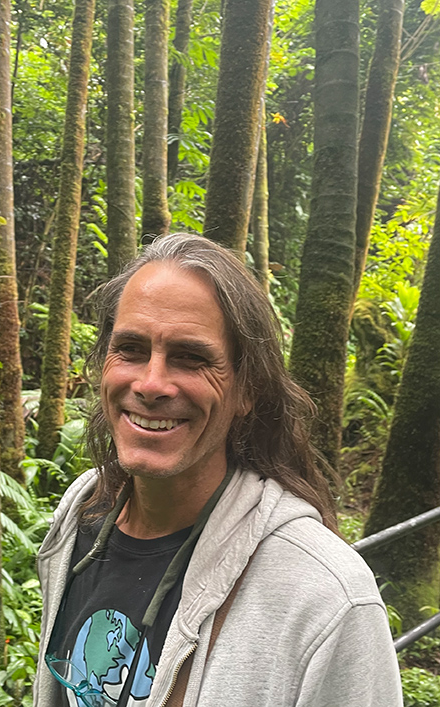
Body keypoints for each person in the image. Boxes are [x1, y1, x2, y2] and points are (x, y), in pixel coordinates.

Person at [34, 234, 403, 707]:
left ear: (247, 390)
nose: (150, 384)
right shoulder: (83, 512)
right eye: (131, 348)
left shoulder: (326, 596)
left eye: (191, 358)